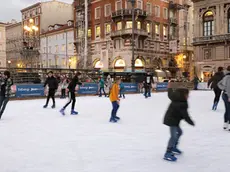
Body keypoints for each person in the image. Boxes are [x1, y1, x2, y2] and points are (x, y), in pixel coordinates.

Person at [163, 86, 195, 161]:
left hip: (174, 119)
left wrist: (170, 87)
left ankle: (173, 147)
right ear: (183, 95)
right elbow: (185, 115)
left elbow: (170, 94)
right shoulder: (182, 103)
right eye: (187, 95)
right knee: (173, 136)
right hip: (172, 120)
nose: (188, 96)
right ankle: (168, 152)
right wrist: (191, 122)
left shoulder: (176, 98)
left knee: (179, 132)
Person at [218, 66, 230, 130]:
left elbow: (219, 84)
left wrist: (223, 88)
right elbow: (229, 88)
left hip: (224, 94)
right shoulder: (228, 77)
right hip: (228, 95)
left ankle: (225, 124)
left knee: (227, 110)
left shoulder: (225, 76)